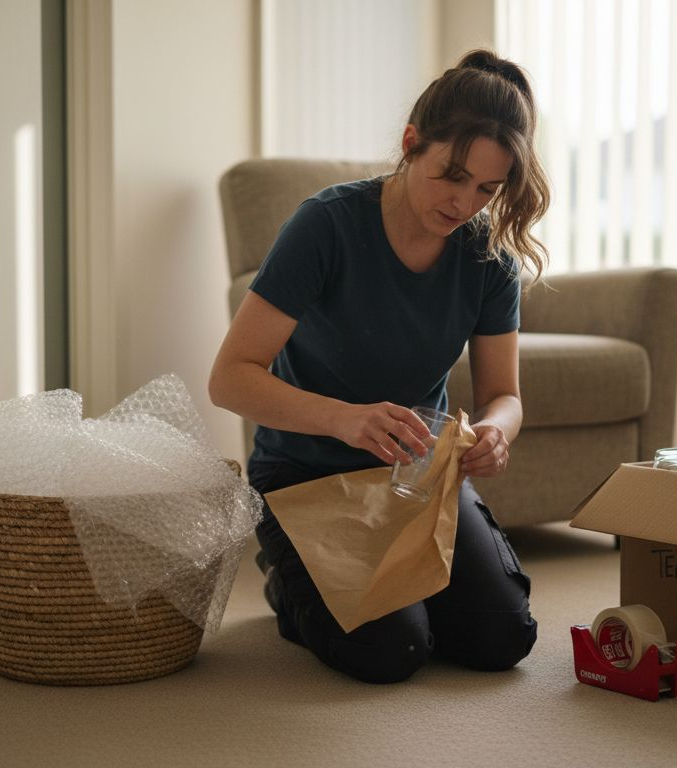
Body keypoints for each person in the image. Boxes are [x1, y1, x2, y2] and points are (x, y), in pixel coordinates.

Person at [209, 49, 549, 684]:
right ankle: (289, 580)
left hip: (416, 478)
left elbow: (506, 394)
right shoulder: (326, 226)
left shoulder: (487, 260)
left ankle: (407, 592)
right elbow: (230, 377)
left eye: (487, 189)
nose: (464, 203)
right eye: (452, 175)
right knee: (391, 651)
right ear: (412, 143)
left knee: (502, 637)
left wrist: (499, 430)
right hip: (305, 475)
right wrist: (345, 420)